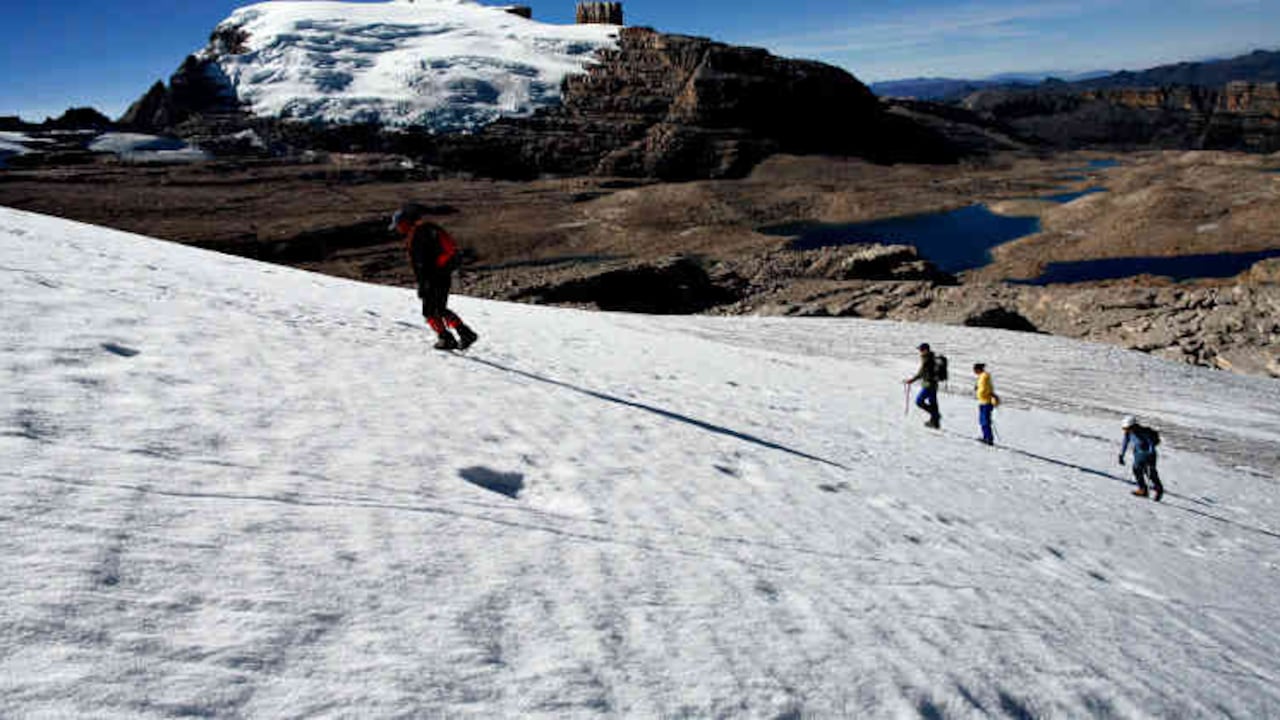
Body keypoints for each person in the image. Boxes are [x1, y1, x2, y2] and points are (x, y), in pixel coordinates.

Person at [390, 202, 478, 351]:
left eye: (398, 225)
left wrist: (426, 281)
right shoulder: (426, 229)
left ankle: (449, 338)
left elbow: (423, 262)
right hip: (440, 275)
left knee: (430, 311)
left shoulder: (419, 233)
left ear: (405, 223)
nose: (397, 229)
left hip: (434, 277)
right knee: (439, 309)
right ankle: (461, 334)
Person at [1119, 416, 1163, 501]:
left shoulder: (1143, 432)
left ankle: (1159, 490)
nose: (1125, 430)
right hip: (1138, 455)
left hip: (1149, 455)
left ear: (1132, 426)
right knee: (1136, 470)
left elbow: (1151, 444)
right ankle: (1143, 490)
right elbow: (1125, 443)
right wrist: (1121, 455)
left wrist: (1150, 454)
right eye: (1124, 429)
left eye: (1126, 428)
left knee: (1150, 474)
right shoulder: (1128, 433)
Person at [903, 342, 942, 429]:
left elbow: (921, 373)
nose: (920, 352)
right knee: (933, 403)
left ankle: (936, 416)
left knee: (919, 401)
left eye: (921, 350)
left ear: (925, 350)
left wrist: (911, 380)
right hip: (934, 384)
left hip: (928, 384)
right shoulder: (933, 357)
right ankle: (935, 423)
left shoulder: (927, 359)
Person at [973, 363, 999, 445]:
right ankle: (986, 437)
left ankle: (988, 438)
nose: (974, 371)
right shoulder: (982, 377)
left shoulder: (984, 377)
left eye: (975, 369)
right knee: (983, 421)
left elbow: (984, 389)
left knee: (985, 421)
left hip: (986, 402)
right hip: (983, 401)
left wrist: (979, 391)